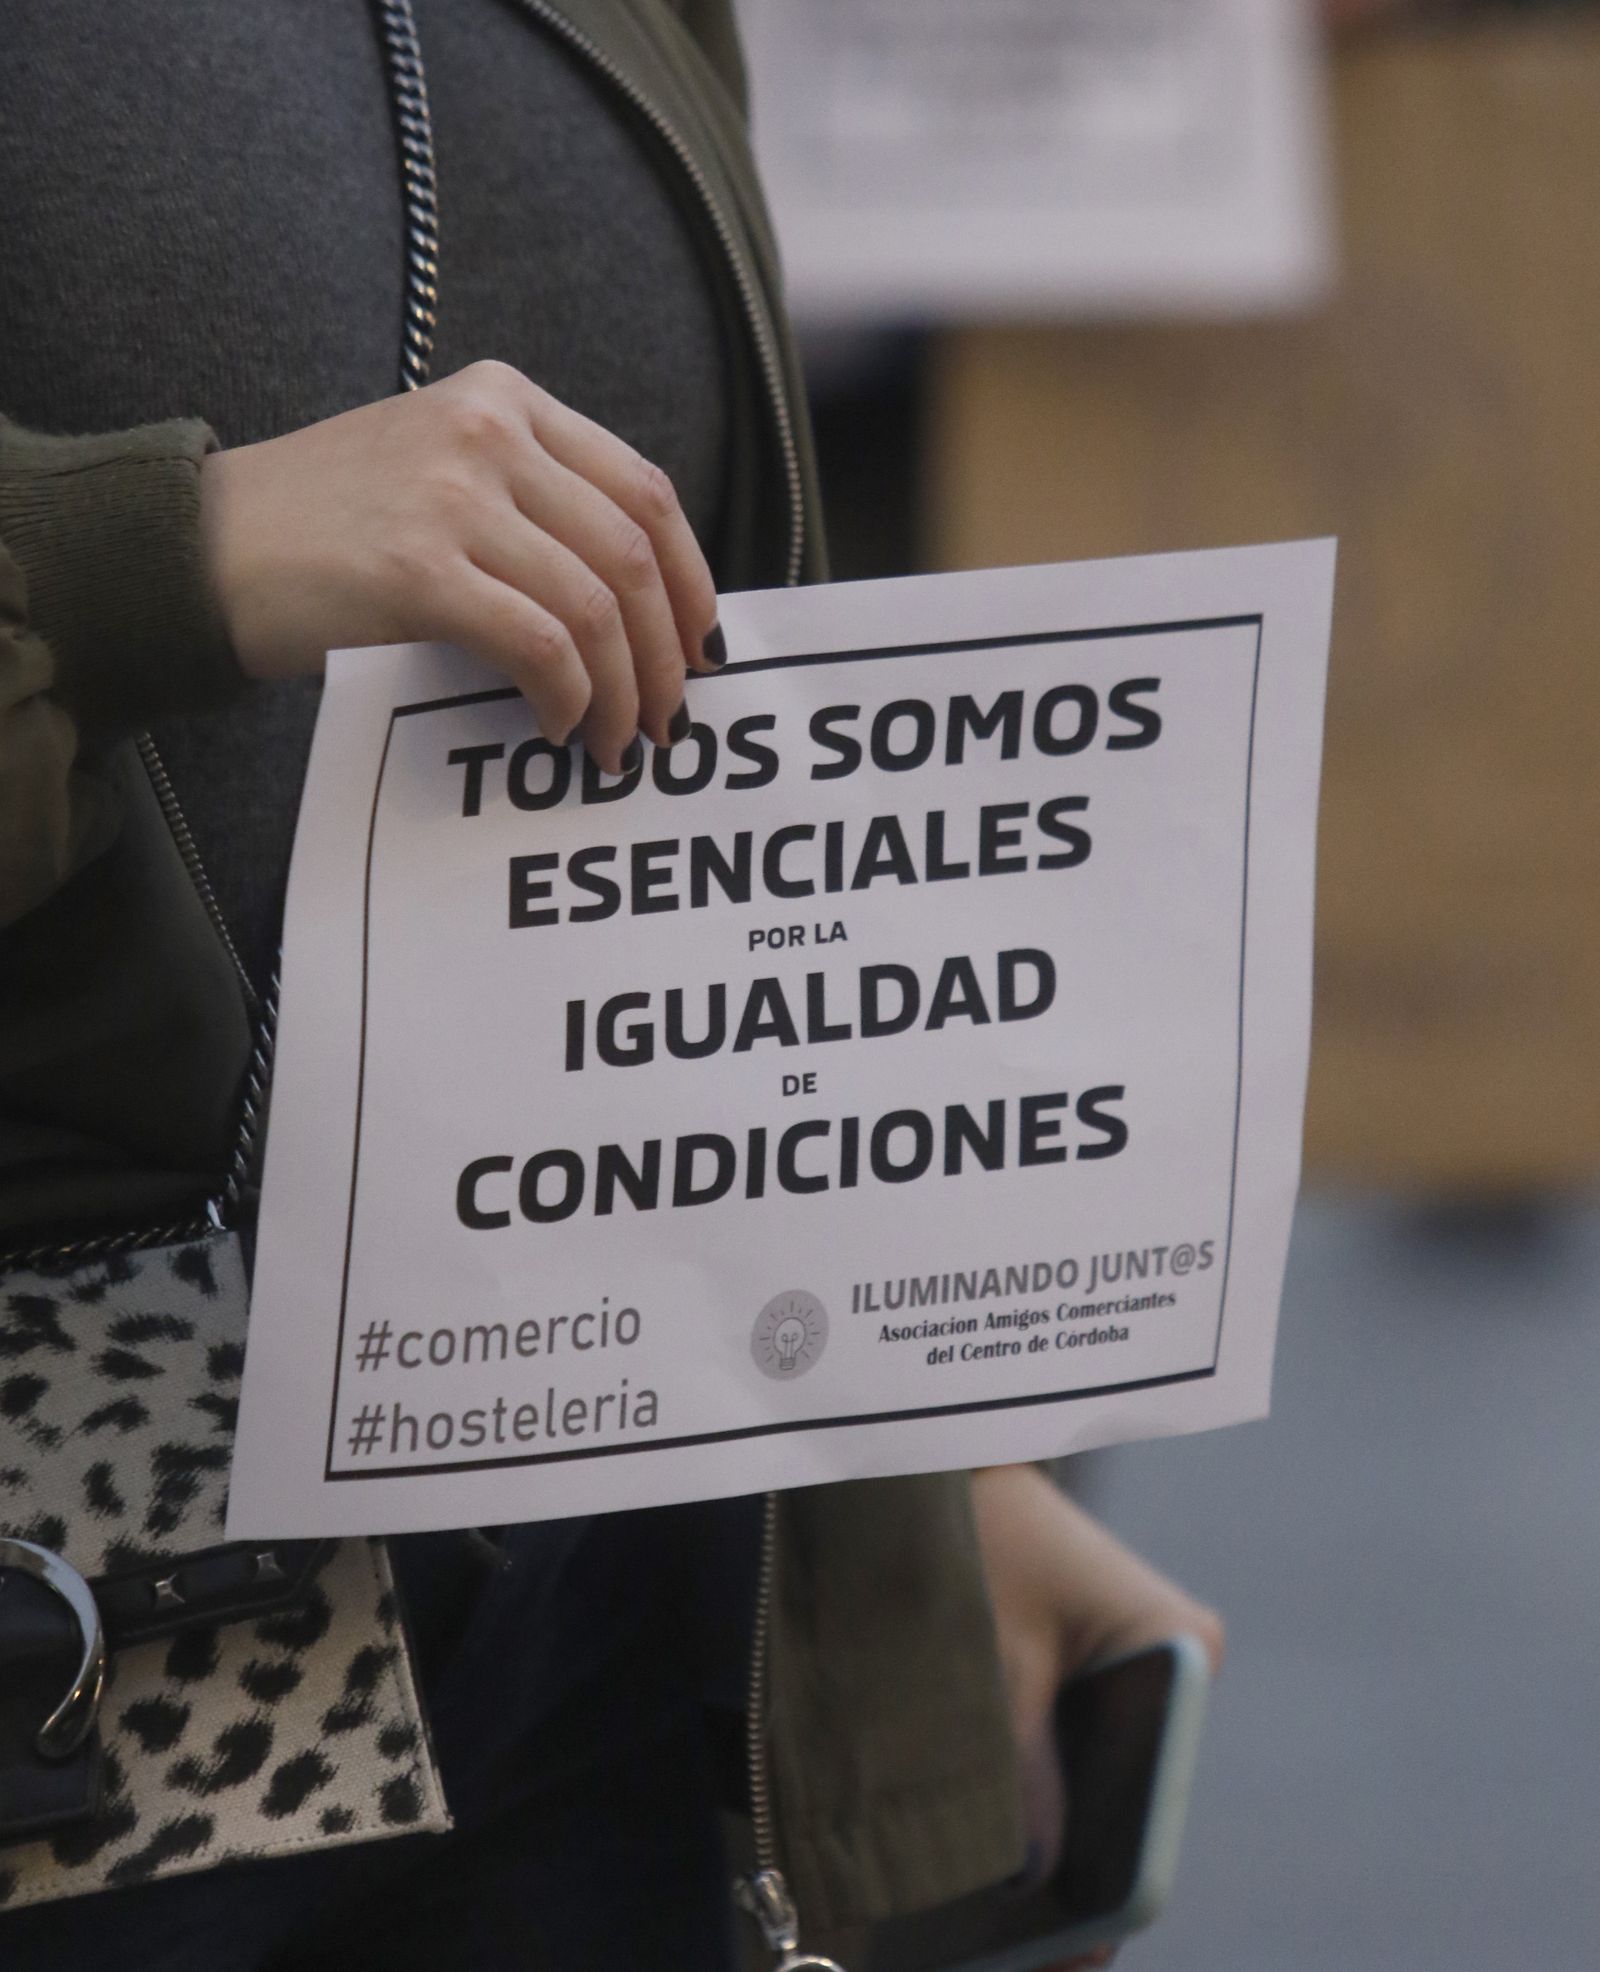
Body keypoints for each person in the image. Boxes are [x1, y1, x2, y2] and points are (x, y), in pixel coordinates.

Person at [0, 3, 1221, 1965]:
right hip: (75, 1593)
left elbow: (706, 707)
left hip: (587, 1607)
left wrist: (894, 1465)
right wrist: (175, 553)